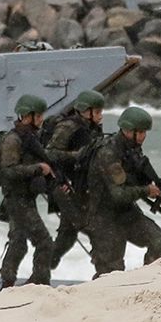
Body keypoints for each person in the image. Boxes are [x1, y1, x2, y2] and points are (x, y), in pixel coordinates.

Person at [87, 106, 161, 276]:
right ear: (128, 131)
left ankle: (146, 281)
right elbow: (118, 194)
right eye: (140, 132)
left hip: (126, 212)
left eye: (144, 132)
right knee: (111, 272)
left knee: (159, 242)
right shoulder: (108, 152)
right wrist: (146, 191)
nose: (143, 137)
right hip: (104, 216)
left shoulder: (132, 148)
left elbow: (136, 179)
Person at [0, 94, 60, 287]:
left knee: (18, 241)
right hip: (17, 199)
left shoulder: (30, 138)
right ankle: (39, 281)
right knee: (44, 242)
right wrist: (38, 169)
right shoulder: (13, 140)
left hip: (25, 197)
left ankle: (7, 280)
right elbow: (8, 171)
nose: (41, 120)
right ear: (26, 116)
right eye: (38, 116)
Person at [43, 89, 108, 265]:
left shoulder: (91, 128)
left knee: (67, 236)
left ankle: (43, 269)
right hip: (64, 184)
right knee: (91, 227)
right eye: (98, 111)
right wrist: (76, 156)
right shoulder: (68, 127)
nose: (101, 115)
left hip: (80, 184)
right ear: (87, 111)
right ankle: (104, 270)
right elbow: (49, 153)